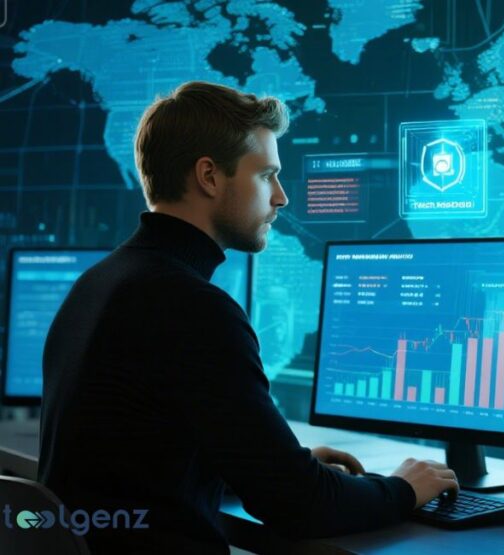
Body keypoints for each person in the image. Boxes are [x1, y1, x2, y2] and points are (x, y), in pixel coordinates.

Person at [38, 81, 458, 553]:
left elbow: (132, 459)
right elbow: (302, 506)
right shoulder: (191, 307)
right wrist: (404, 488)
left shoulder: (101, 283)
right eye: (266, 176)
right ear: (209, 177)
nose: (281, 197)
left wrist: (266, 462)